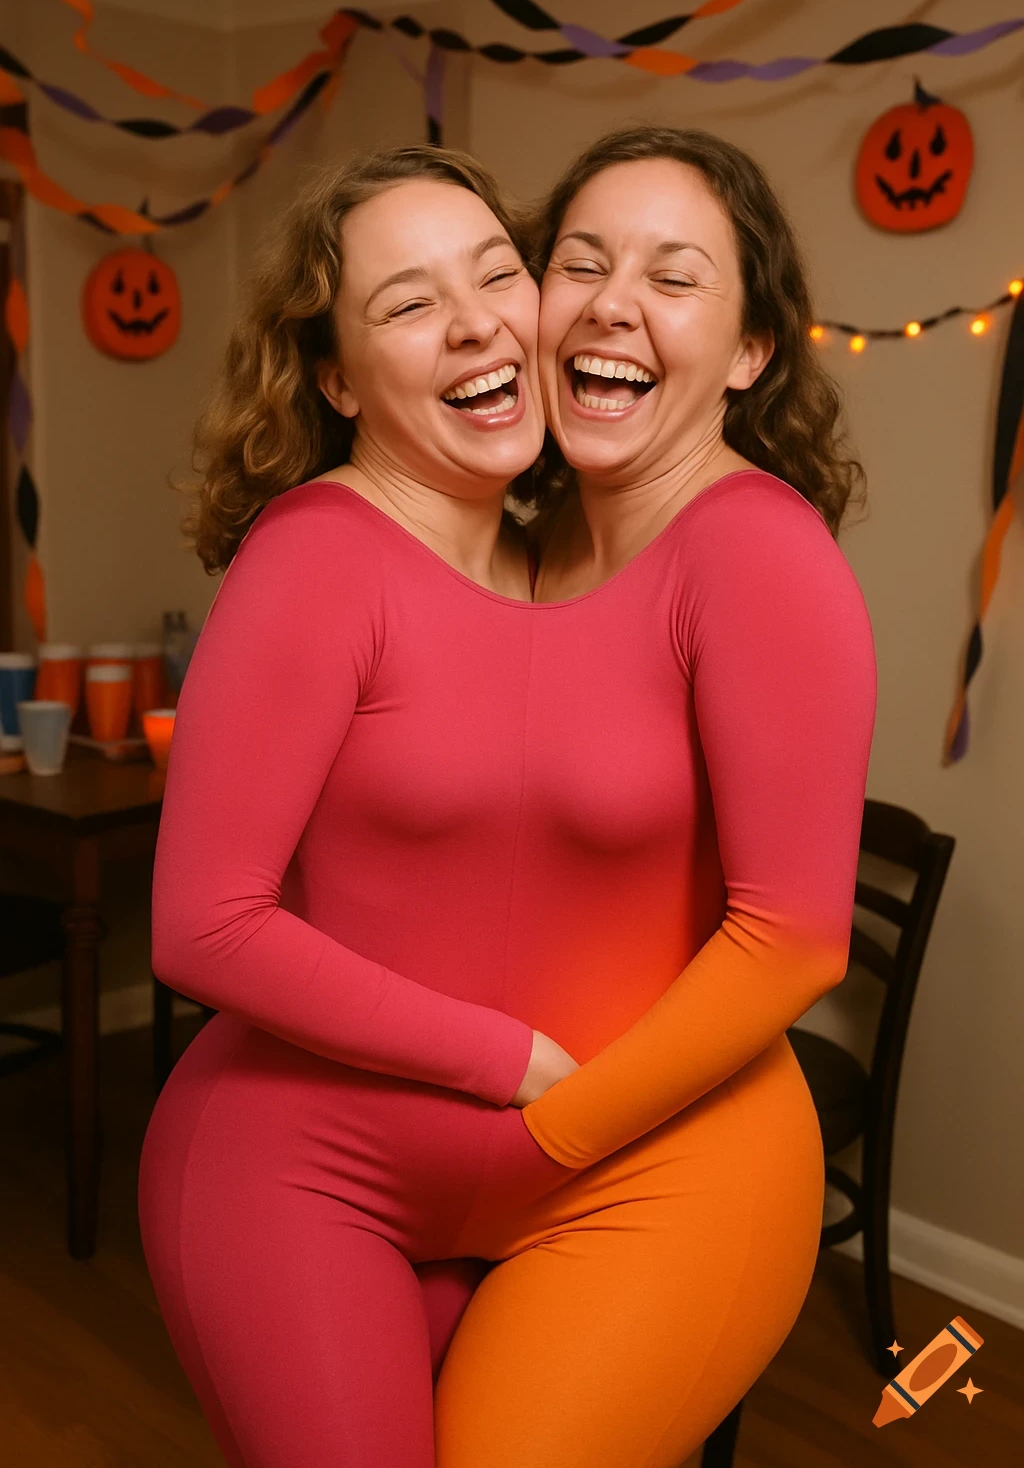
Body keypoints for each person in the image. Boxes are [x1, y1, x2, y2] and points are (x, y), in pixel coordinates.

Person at [139, 128, 875, 1468]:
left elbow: (793, 935)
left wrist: (550, 1133)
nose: (494, 320)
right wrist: (501, 1068)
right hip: (325, 1155)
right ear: (335, 376)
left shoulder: (750, 549)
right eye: (579, 262)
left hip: (628, 1155)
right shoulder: (453, 548)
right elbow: (208, 921)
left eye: (495, 273)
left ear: (753, 349)